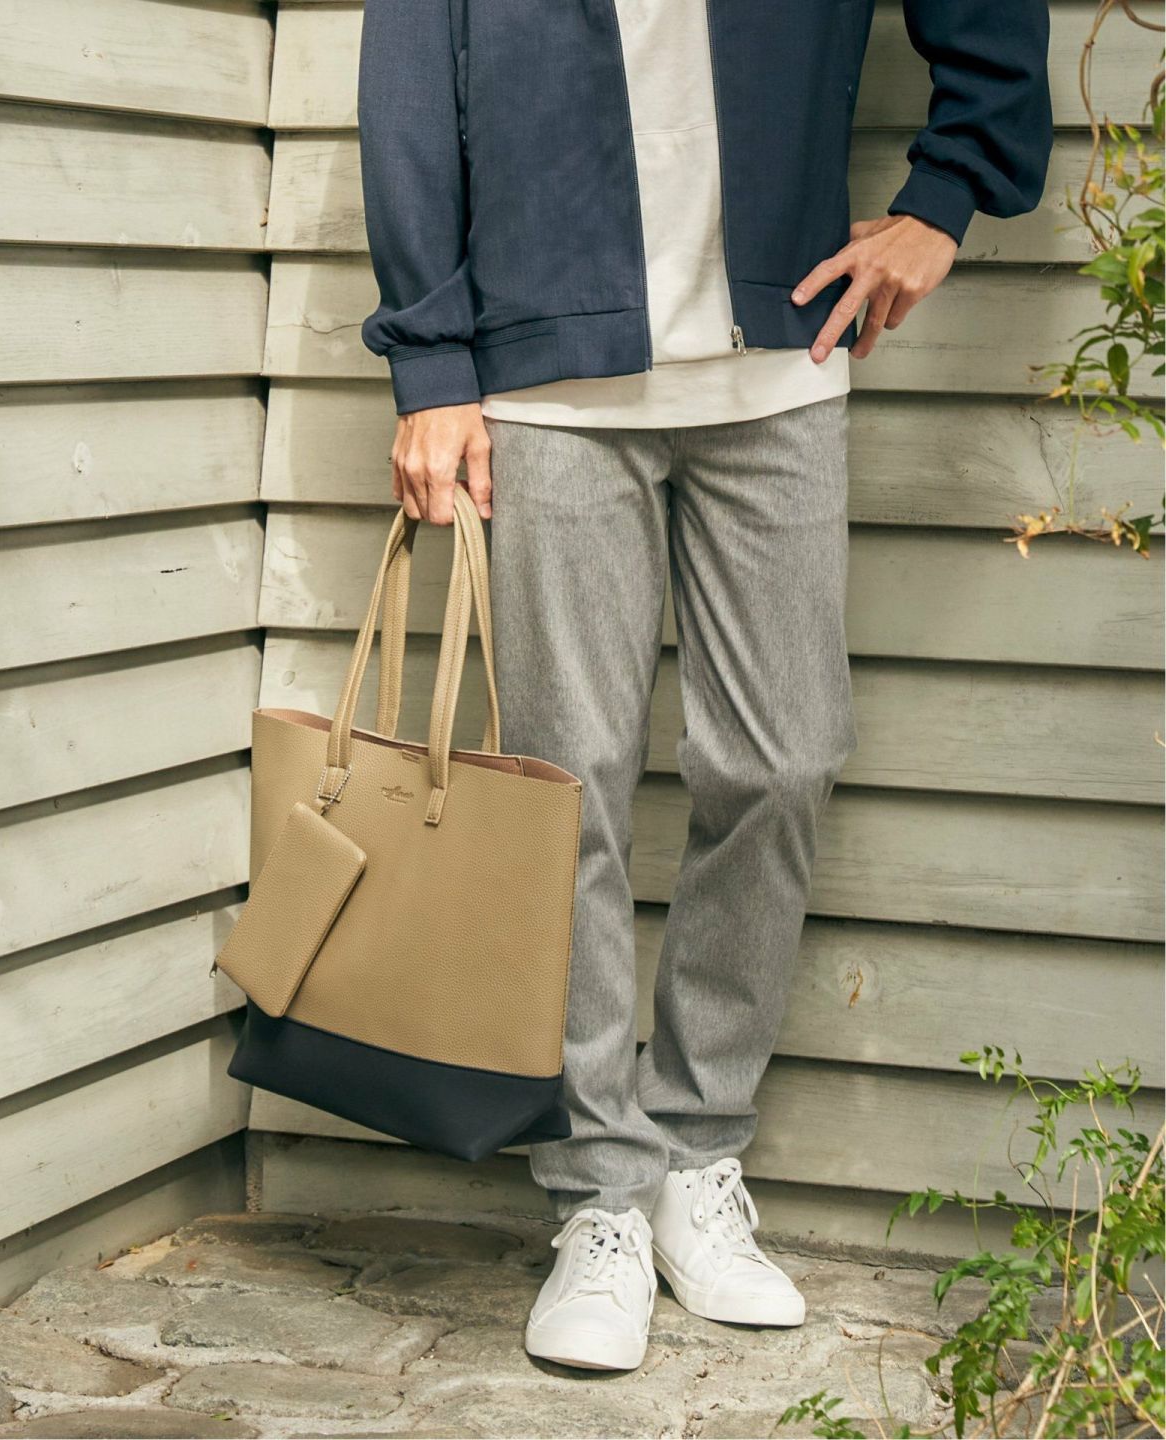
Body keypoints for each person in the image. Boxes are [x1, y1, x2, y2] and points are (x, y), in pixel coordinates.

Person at [356, 0, 1052, 1373]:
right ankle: (600, 1195)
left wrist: (944, 198)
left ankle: (697, 1147)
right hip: (549, 384)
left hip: (779, 365)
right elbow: (410, 90)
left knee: (784, 761)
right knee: (567, 793)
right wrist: (430, 366)